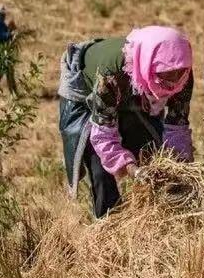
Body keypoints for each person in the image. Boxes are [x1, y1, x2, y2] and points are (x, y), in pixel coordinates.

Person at [58, 26, 194, 218]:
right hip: (88, 88)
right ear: (148, 65)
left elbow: (177, 127)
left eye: (177, 74)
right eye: (165, 75)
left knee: (151, 147)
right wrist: (133, 171)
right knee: (99, 165)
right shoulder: (110, 79)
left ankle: (156, 215)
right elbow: (104, 137)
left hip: (136, 87)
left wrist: (180, 170)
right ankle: (109, 221)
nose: (173, 83)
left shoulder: (182, 71)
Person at [0, 5, 17, 95]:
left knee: (7, 71)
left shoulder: (3, 24)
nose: (3, 16)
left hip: (4, 52)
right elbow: (1, 36)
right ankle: (13, 92)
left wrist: (11, 30)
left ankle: (13, 92)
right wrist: (9, 34)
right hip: (1, 52)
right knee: (6, 71)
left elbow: (8, 35)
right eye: (2, 15)